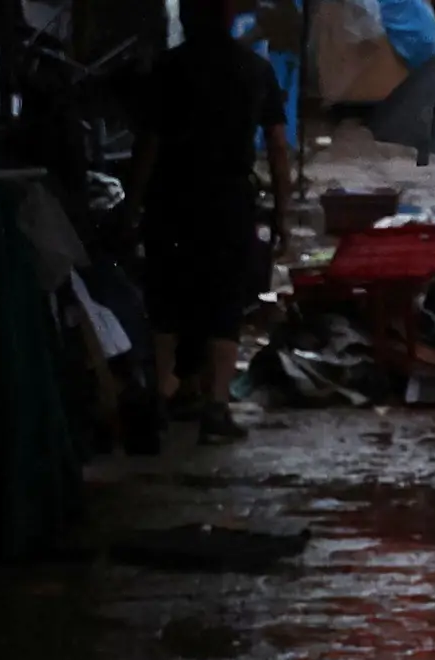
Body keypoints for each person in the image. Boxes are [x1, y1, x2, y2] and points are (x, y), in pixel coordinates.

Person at [133, 3, 295, 446]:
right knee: (223, 303)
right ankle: (215, 407)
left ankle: (163, 400)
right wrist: (282, 214)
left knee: (168, 298)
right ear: (229, 17)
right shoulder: (255, 69)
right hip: (228, 202)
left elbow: (148, 144)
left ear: (187, 17)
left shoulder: (168, 67)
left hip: (171, 199)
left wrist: (133, 204)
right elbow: (278, 150)